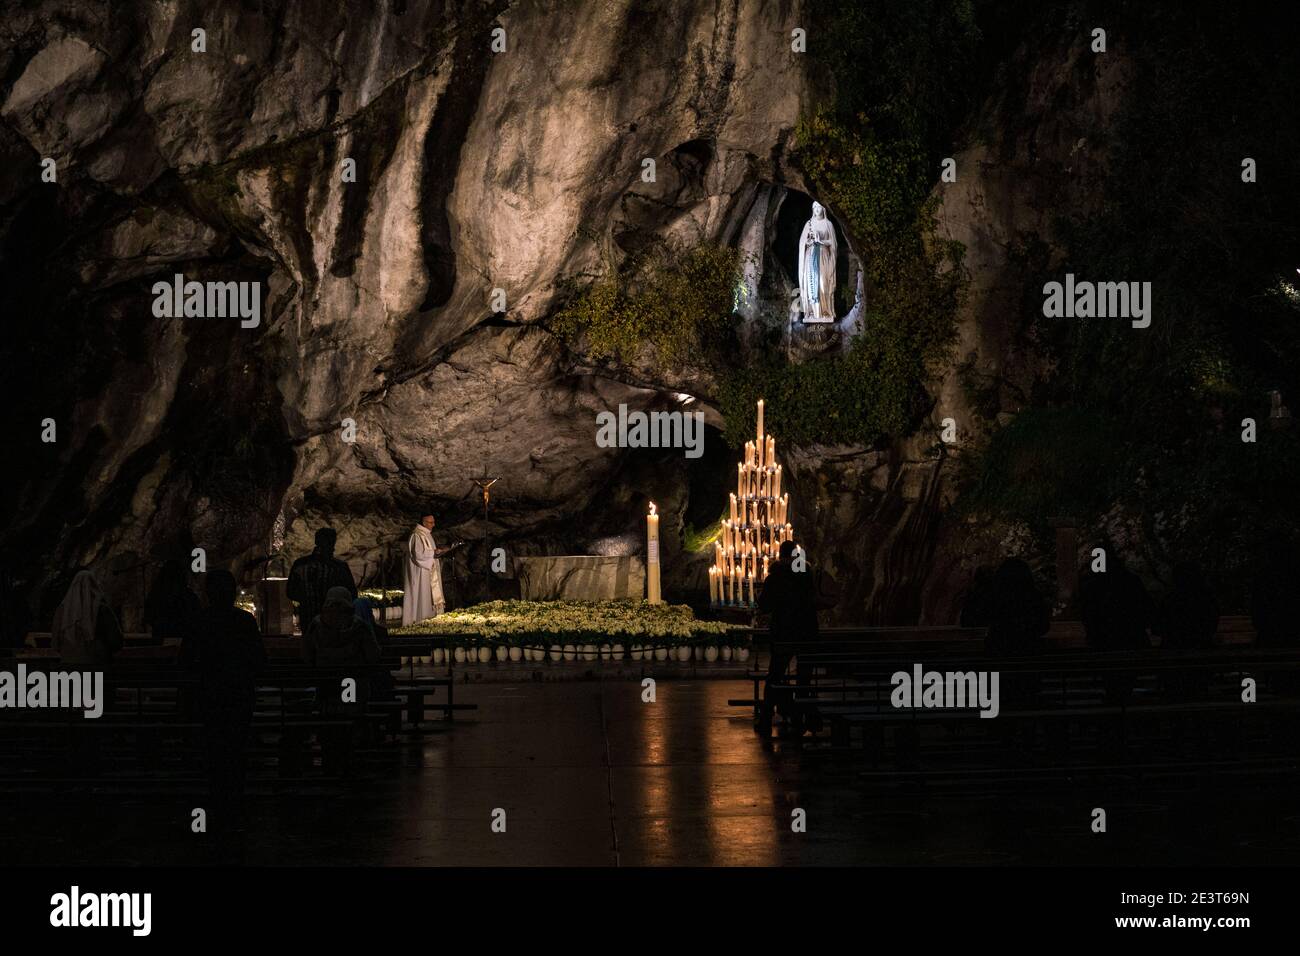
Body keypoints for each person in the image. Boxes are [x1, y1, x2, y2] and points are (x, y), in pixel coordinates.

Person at [188, 569, 265, 831]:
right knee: (236, 745)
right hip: (238, 693)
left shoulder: (200, 621)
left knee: (213, 744)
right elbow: (259, 659)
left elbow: (186, 660)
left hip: (209, 693)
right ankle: (235, 794)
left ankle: (215, 793)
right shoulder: (244, 621)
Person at [757, 540, 819, 736]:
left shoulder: (775, 577)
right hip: (807, 632)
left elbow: (764, 605)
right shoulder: (807, 575)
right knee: (804, 678)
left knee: (775, 675)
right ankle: (801, 718)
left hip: (784, 632)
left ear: (781, 555)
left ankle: (766, 718)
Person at [287, 528, 356, 634]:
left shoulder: (300, 564)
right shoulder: (338, 567)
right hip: (332, 619)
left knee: (310, 646)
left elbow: (290, 592)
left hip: (307, 617)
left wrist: (306, 598)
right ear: (332, 543)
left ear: (316, 541)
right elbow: (351, 594)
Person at [50, 569, 123, 667]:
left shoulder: (62, 610)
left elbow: (55, 642)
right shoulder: (102, 609)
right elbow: (115, 640)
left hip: (69, 663)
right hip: (98, 663)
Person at [144, 558, 201, 645]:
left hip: (161, 640)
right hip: (185, 641)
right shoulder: (189, 596)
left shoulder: (156, 595)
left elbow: (149, 617)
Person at [402, 514, 445, 625]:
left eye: (433, 522)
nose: (433, 525)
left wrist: (437, 552)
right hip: (420, 573)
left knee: (428, 594)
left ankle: (431, 618)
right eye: (431, 522)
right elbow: (418, 555)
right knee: (422, 595)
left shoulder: (427, 534)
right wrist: (433, 552)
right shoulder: (417, 535)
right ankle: (419, 619)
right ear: (424, 522)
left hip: (428, 570)